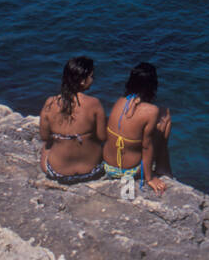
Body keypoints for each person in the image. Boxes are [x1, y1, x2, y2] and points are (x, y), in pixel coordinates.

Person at [102, 62, 171, 193]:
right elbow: (146, 146)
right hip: (130, 172)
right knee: (166, 118)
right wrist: (149, 178)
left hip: (108, 166)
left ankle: (163, 169)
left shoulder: (120, 101)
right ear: (152, 85)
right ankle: (163, 169)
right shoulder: (152, 111)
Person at [38, 56, 106, 184]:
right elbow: (102, 137)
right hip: (92, 171)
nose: (93, 79)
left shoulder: (50, 103)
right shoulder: (94, 103)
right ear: (82, 81)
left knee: (46, 146)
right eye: (91, 76)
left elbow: (44, 137)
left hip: (58, 173)